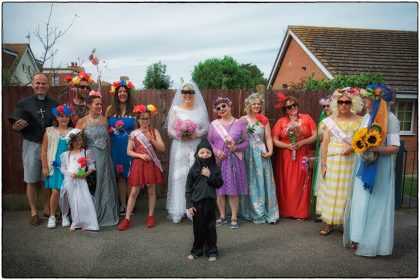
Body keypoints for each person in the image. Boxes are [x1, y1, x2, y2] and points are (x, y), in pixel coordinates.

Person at [343, 84, 400, 256]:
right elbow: (360, 139)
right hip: (364, 165)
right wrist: (354, 145)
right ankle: (358, 237)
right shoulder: (367, 118)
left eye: (367, 98)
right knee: (361, 201)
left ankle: (373, 242)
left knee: (375, 203)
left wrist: (374, 149)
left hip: (381, 169)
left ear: (377, 100)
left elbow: (394, 148)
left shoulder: (391, 120)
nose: (364, 101)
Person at [10, 73, 59, 226]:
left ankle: (46, 208)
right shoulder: (23, 103)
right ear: (32, 85)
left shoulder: (54, 104)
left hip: (50, 146)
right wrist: (15, 127)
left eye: (43, 84)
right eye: (37, 83)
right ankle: (33, 212)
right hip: (31, 144)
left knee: (47, 179)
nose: (40, 86)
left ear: (48, 86)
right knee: (31, 179)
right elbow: (15, 122)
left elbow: (58, 123)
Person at [315, 88, 363, 235]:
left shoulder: (360, 121)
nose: (343, 104)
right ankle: (328, 222)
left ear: (352, 103)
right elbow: (324, 143)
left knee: (346, 191)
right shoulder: (329, 121)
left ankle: (343, 221)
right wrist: (323, 165)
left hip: (350, 161)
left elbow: (362, 141)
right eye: (340, 102)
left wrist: (352, 148)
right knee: (330, 189)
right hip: (332, 160)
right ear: (336, 103)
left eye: (347, 102)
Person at [165, 82, 210, 223]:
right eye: (185, 92)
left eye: (190, 92)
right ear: (181, 94)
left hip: (195, 145)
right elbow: (170, 130)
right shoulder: (176, 109)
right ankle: (178, 210)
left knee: (195, 176)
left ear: (194, 94)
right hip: (179, 146)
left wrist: (196, 134)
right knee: (178, 176)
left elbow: (206, 128)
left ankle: (193, 209)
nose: (187, 95)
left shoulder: (201, 110)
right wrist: (179, 135)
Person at [118, 104, 165, 231]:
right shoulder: (134, 133)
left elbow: (162, 148)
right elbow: (129, 151)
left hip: (151, 164)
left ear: (150, 119)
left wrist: (152, 140)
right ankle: (127, 219)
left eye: (147, 118)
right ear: (138, 120)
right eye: (142, 119)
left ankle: (150, 216)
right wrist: (140, 155)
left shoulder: (154, 132)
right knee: (133, 192)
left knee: (151, 190)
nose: (145, 121)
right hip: (138, 164)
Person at [76, 92, 119, 227]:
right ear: (89, 105)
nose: (100, 106)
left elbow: (107, 139)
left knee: (107, 183)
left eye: (101, 104)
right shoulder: (82, 121)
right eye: (97, 104)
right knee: (95, 183)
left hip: (105, 156)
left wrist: (110, 155)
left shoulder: (104, 120)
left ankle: (108, 212)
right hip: (91, 157)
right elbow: (75, 141)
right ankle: (91, 214)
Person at [272, 96, 317, 220]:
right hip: (286, 156)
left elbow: (315, 135)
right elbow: (275, 140)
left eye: (294, 105)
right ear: (285, 110)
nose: (292, 108)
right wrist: (287, 145)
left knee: (301, 181)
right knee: (286, 183)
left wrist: (303, 142)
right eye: (289, 107)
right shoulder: (281, 122)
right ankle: (286, 210)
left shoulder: (307, 118)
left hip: (303, 154)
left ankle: (301, 212)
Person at [208, 97, 249, 229]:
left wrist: (237, 148)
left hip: (234, 161)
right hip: (219, 160)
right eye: (218, 108)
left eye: (223, 106)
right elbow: (209, 142)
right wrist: (216, 152)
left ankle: (234, 217)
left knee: (233, 190)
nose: (221, 109)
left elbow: (247, 142)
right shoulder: (214, 124)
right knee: (219, 190)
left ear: (230, 106)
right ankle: (222, 216)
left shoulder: (240, 123)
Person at [239, 93, 279, 224]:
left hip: (261, 154)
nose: (256, 106)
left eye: (258, 104)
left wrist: (270, 151)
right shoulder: (242, 120)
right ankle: (248, 211)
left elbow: (268, 137)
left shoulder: (264, 120)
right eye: (254, 103)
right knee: (249, 180)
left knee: (262, 181)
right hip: (246, 154)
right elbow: (237, 137)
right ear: (249, 105)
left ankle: (264, 210)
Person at [186, 138, 223, 262]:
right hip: (197, 204)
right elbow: (188, 188)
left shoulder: (215, 168)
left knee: (210, 228)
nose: (205, 155)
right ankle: (197, 250)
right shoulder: (193, 169)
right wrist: (189, 204)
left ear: (212, 154)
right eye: (202, 153)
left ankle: (212, 250)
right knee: (198, 229)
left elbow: (219, 184)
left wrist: (210, 175)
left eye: (208, 152)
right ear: (197, 154)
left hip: (210, 203)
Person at [105, 77, 136, 216]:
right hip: (115, 147)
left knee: (130, 176)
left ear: (128, 94)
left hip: (130, 148)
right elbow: (105, 129)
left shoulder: (134, 110)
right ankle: (122, 205)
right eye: (120, 92)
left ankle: (131, 204)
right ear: (116, 94)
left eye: (125, 91)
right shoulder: (109, 110)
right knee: (120, 176)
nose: (122, 94)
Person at [59, 129, 99, 231]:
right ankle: (76, 222)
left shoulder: (86, 152)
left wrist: (85, 174)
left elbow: (92, 166)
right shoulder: (66, 155)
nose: (78, 142)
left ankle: (88, 222)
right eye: (75, 141)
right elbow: (63, 168)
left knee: (84, 200)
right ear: (71, 142)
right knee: (74, 201)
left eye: (80, 140)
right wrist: (70, 174)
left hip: (81, 180)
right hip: (70, 181)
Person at [41, 105, 73, 228]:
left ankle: (65, 215)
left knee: (66, 193)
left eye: (67, 116)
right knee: (55, 192)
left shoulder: (73, 131)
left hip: (68, 167)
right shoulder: (49, 131)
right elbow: (44, 150)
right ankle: (52, 216)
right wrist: (44, 167)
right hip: (55, 167)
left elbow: (77, 147)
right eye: (61, 116)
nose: (64, 119)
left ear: (70, 117)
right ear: (57, 117)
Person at [311, 96, 332, 220]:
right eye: (324, 106)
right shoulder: (323, 117)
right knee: (322, 180)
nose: (326, 108)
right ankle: (322, 210)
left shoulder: (337, 119)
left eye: (328, 105)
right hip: (323, 152)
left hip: (333, 153)